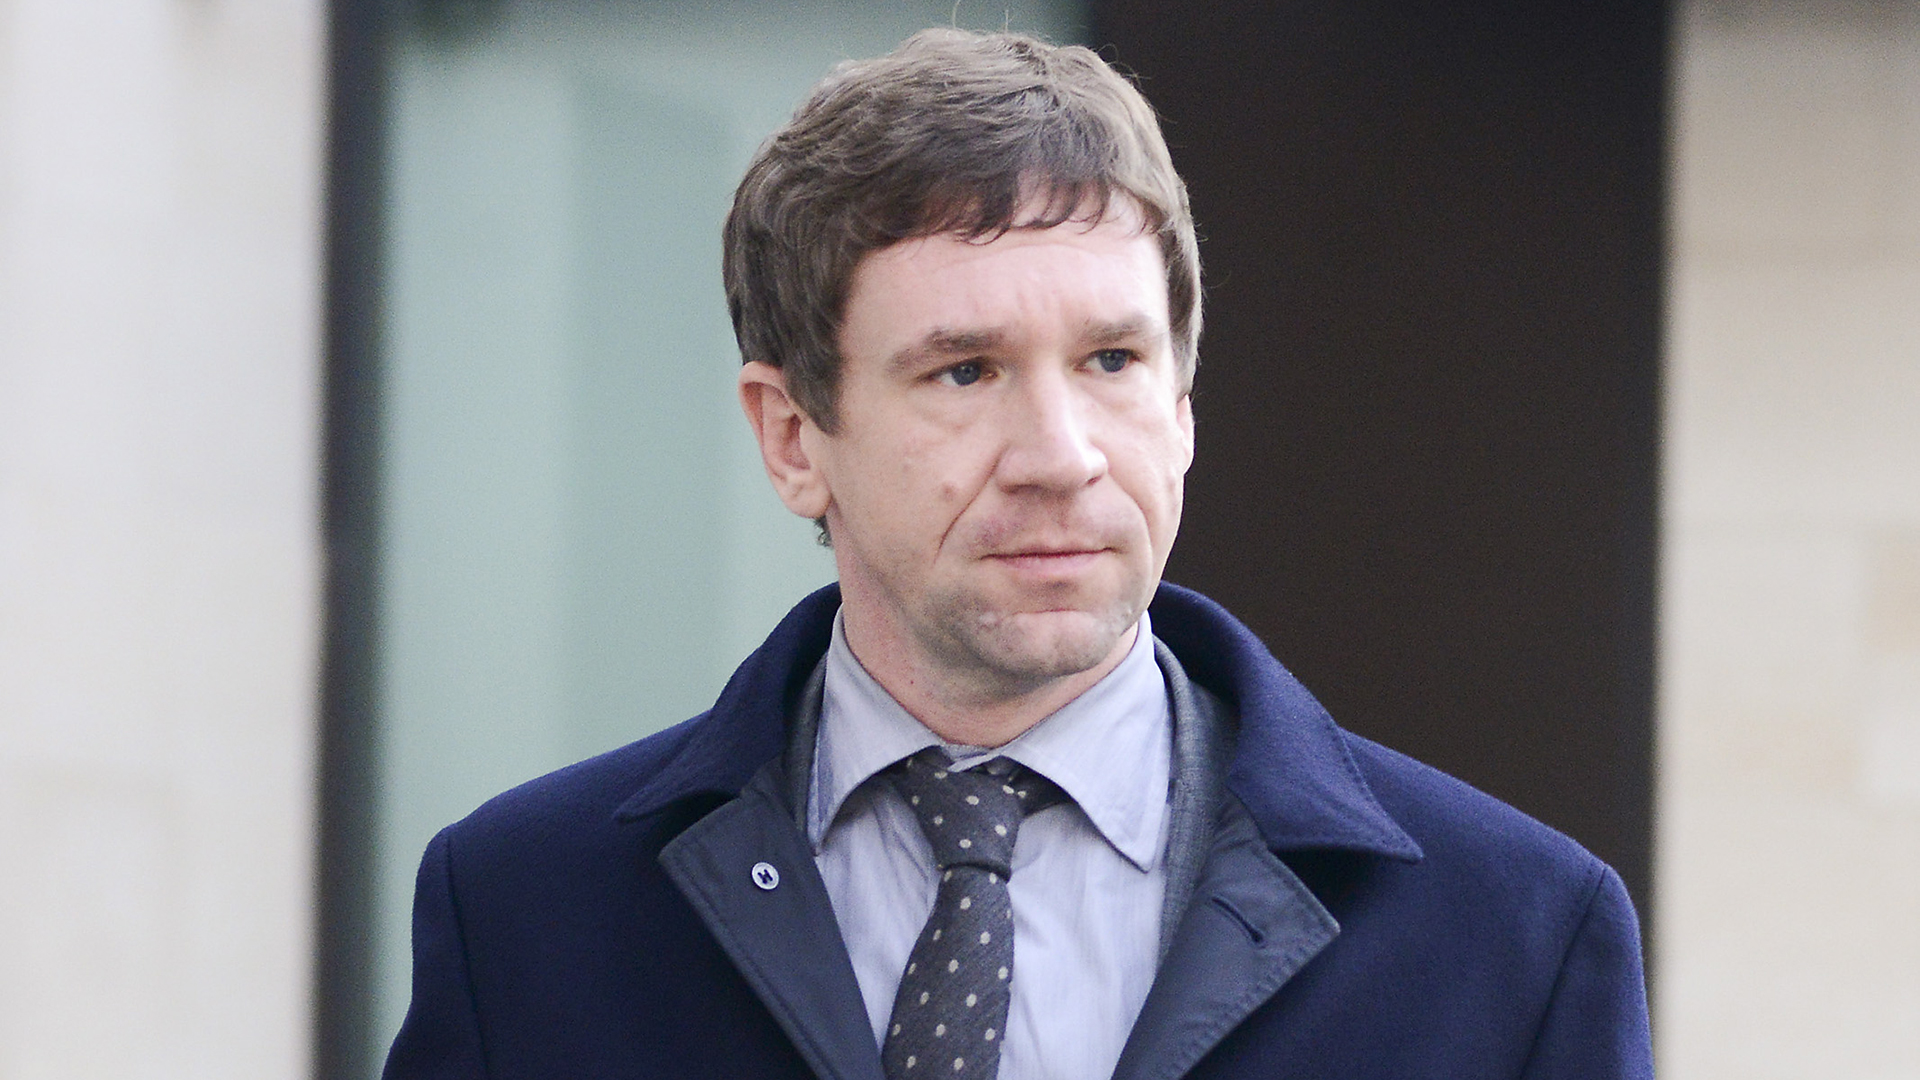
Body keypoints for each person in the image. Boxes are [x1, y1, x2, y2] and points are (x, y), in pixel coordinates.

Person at [383, 28, 1651, 1080]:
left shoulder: (1515, 939)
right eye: (966, 370)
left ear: (1182, 407)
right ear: (792, 437)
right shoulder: (524, 917)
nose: (1060, 453)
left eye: (1112, 360)